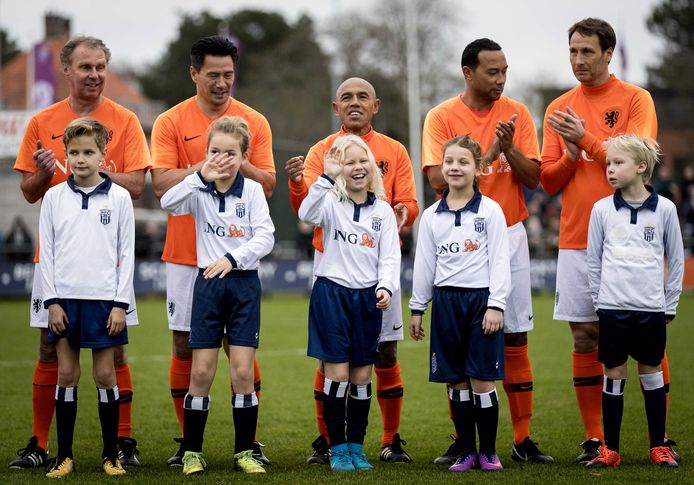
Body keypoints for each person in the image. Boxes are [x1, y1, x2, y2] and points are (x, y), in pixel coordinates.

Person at [539, 17, 680, 463]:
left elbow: (641, 155)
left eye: (587, 52)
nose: (578, 60)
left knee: (649, 341)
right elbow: (547, 180)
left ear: (607, 53)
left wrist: (586, 139)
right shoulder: (559, 107)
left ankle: (659, 439)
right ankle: (595, 439)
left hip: (634, 234)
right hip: (578, 235)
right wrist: (569, 153)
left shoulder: (636, 99)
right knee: (584, 337)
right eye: (572, 52)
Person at [10, 36, 150, 469]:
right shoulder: (42, 120)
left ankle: (121, 443)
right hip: (58, 265)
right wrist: (45, 172)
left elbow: (138, 188)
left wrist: (99, 170)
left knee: (114, 355)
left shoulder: (125, 120)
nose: (94, 74)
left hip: (104, 268)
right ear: (66, 70)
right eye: (85, 67)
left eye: (100, 66)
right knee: (49, 350)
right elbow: (30, 191)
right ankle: (39, 444)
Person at [421, 38, 552, 464]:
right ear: (468, 73)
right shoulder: (441, 116)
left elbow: (534, 179)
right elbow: (438, 182)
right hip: (456, 234)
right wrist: (490, 152)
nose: (500, 79)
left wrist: (510, 147)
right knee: (457, 345)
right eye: (492, 72)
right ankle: (463, 441)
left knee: (514, 333)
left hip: (506, 231)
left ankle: (522, 438)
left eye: (504, 71)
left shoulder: (516, 113)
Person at [150, 35, 275, 466]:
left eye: (229, 75)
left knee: (240, 358)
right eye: (213, 75)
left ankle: (249, 444)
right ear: (194, 74)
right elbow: (161, 185)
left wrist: (238, 164)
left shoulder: (253, 121)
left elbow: (268, 184)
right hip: (190, 258)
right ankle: (187, 445)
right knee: (187, 350)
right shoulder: (170, 121)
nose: (222, 83)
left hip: (238, 268)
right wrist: (203, 170)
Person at [285, 77, 418, 464]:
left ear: (376, 105)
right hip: (332, 269)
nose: (355, 103)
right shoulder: (321, 152)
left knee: (383, 354)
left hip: (376, 270)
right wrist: (299, 184)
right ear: (335, 107)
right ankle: (328, 442)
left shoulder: (394, 150)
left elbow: (407, 200)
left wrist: (404, 214)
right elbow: (308, 206)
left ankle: (389, 439)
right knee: (332, 361)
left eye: (363, 97)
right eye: (347, 97)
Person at [298, 134, 401, 471]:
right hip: (332, 296)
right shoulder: (330, 202)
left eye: (362, 161)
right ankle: (337, 448)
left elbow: (389, 258)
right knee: (337, 374)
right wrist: (325, 177)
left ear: (372, 166)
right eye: (349, 162)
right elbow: (305, 211)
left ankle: (357, 446)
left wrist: (385, 288)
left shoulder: (383, 211)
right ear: (340, 168)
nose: (357, 168)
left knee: (361, 377)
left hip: (367, 300)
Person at [410, 135, 510, 472]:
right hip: (446, 303)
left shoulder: (491, 211)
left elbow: (499, 261)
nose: (455, 167)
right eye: (449, 161)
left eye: (463, 162)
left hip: (481, 303)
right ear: (442, 166)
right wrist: (418, 308)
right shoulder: (431, 216)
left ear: (479, 169)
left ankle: (489, 452)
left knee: (482, 380)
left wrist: (496, 304)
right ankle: (467, 451)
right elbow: (424, 265)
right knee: (456, 381)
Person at [41, 118, 134, 478]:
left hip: (104, 301)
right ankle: (64, 456)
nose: (80, 159)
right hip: (64, 299)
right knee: (66, 373)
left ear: (103, 155)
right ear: (66, 156)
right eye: (74, 152)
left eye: (88, 152)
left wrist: (119, 303)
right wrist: (51, 301)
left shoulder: (120, 197)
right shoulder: (53, 197)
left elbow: (126, 254)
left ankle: (111, 455)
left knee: (105, 374)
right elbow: (46, 252)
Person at [585, 134, 682, 468]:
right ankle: (610, 449)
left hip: (650, 309)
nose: (610, 169)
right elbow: (593, 260)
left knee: (651, 372)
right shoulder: (601, 209)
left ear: (641, 167)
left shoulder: (666, 209)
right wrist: (600, 301)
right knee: (613, 374)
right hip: (612, 308)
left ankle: (658, 446)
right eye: (609, 163)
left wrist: (668, 303)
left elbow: (676, 259)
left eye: (618, 163)